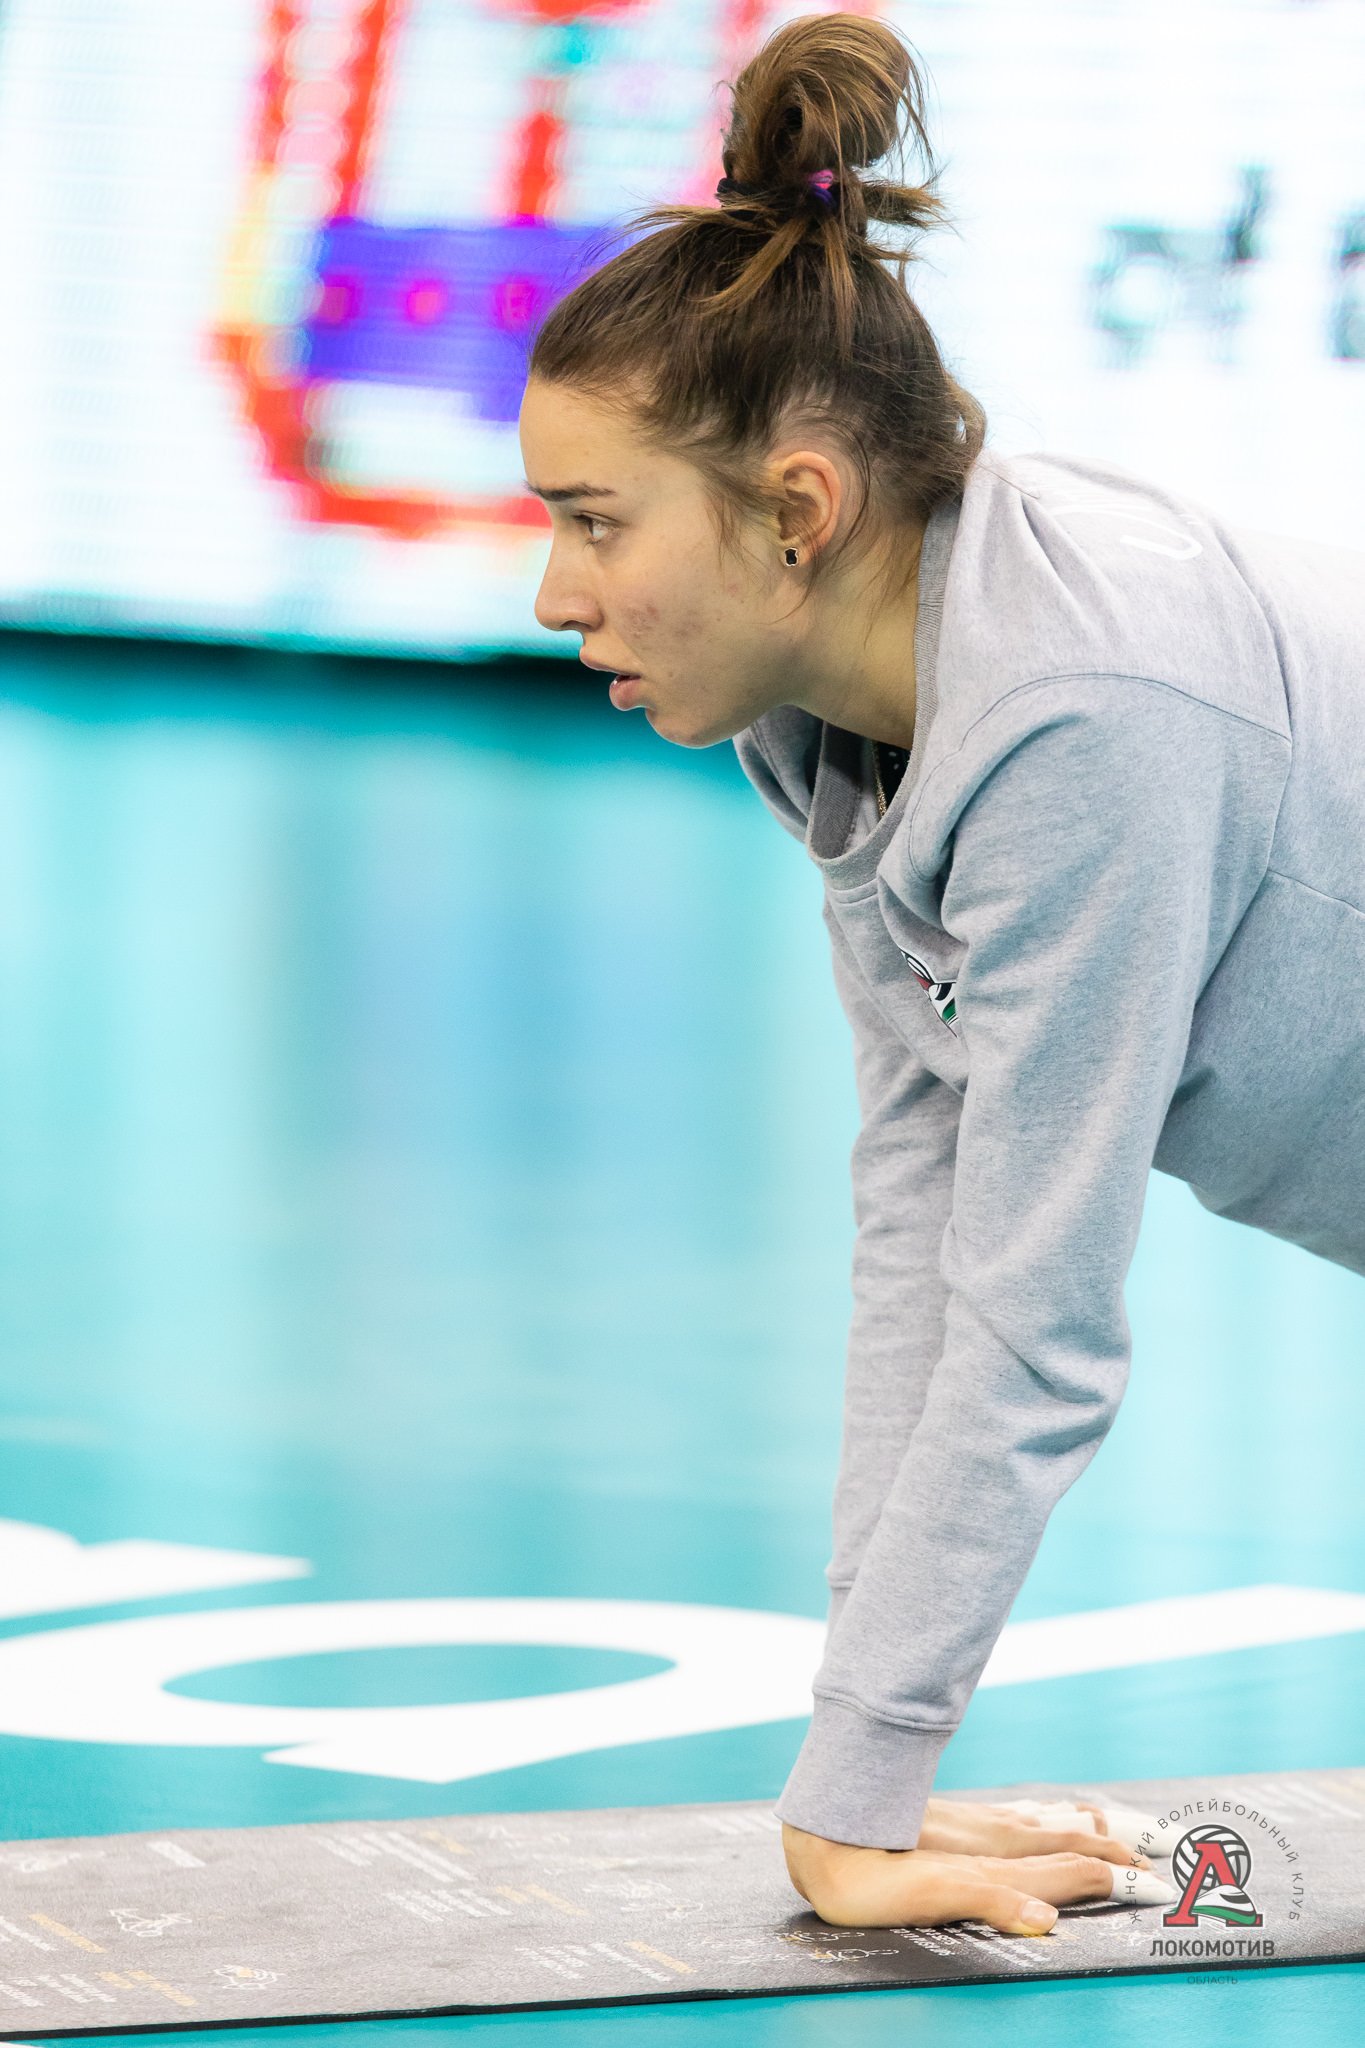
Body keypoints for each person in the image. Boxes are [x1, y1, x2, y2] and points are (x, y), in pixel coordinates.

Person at [516, 10, 1365, 1937]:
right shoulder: (850, 710)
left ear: (796, 511)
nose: (554, 596)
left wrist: (858, 1783)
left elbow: (1036, 1325)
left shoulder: (1079, 723)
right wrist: (869, 1778)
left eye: (593, 524)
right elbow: (926, 1198)